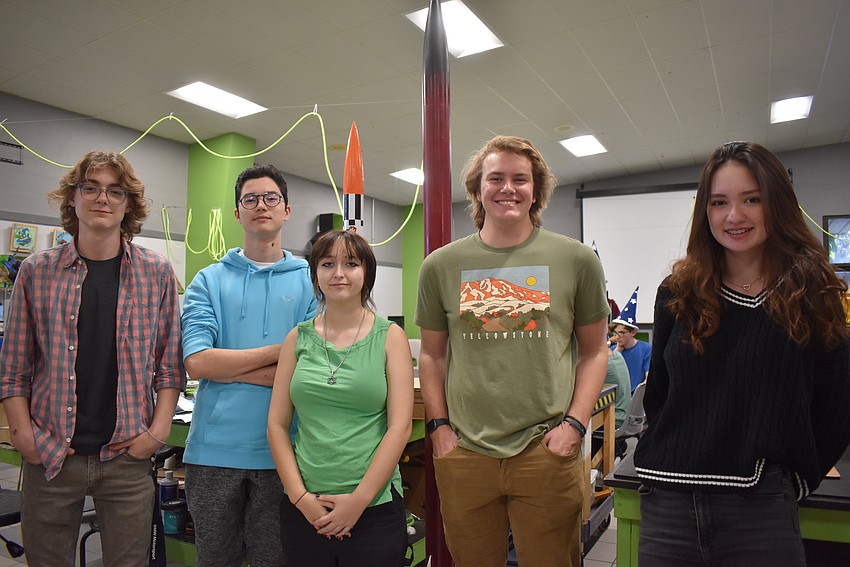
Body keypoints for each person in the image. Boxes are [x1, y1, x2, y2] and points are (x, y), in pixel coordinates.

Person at [634, 141, 850, 566]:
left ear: (778, 202)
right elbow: (659, 393)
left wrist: (796, 483)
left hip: (760, 509)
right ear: (705, 212)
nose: (734, 216)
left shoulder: (813, 293)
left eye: (752, 199)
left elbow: (836, 405)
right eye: (719, 202)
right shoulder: (676, 294)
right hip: (669, 504)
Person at [415, 135, 610, 566]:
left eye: (520, 179)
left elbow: (595, 350)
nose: (508, 188)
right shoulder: (441, 266)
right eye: (496, 178)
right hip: (465, 452)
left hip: (546, 449)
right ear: (477, 189)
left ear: (536, 189)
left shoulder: (576, 260)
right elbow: (431, 356)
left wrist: (575, 427)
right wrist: (440, 430)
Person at [0, 151, 185, 566]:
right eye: (91, 187)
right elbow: (13, 369)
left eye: (115, 190)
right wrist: (22, 431)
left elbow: (170, 365)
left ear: (128, 204)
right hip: (50, 453)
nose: (102, 198)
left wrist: (157, 433)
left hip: (127, 455)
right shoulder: (36, 271)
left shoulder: (155, 273)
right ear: (73, 199)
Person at [181, 164, 318, 567]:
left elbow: (308, 372)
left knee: (274, 561)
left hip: (286, 453)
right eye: (250, 199)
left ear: (287, 210)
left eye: (271, 197)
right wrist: (283, 350)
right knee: (215, 561)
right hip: (213, 452)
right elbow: (198, 362)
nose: (261, 205)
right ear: (238, 213)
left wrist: (228, 366)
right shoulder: (207, 281)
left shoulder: (312, 282)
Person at [268, 230, 413, 566]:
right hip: (306, 507)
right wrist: (300, 497)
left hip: (373, 507)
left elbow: (400, 427)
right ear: (315, 274)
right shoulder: (297, 338)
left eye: (351, 264)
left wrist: (358, 501)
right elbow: (276, 425)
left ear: (367, 274)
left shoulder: (390, 337)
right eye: (327, 263)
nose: (338, 273)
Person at [611, 287, 651, 391]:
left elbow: (648, 377)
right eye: (616, 333)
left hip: (636, 397)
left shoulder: (646, 349)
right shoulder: (613, 351)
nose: (617, 337)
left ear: (633, 332)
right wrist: (616, 352)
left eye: (622, 333)